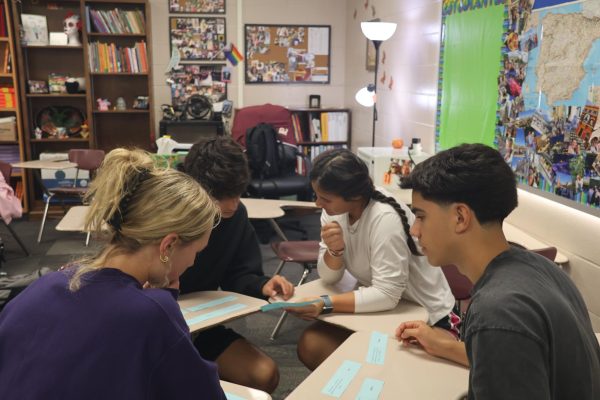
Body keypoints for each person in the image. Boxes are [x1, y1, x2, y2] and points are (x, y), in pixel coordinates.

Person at [0, 148, 226, 399]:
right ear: (169, 245)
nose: (194, 262)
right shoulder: (150, 312)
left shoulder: (45, 285)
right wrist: (165, 301)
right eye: (197, 250)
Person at [396, 143, 600, 399]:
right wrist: (443, 345)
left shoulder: (499, 309)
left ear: (460, 217)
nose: (415, 230)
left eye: (421, 216)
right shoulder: (542, 269)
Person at [286, 148, 458, 371]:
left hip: (425, 314)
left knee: (384, 372)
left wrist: (325, 304)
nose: (318, 203)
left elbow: (387, 294)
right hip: (384, 309)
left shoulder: (384, 218)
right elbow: (329, 277)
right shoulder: (334, 210)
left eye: (325, 198)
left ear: (354, 197)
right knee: (313, 344)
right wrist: (335, 251)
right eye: (317, 195)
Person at [178, 136, 294, 394]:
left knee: (264, 375)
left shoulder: (235, 214)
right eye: (221, 197)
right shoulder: (162, 214)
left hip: (200, 325)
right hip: (152, 328)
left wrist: (263, 285)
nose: (232, 205)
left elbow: (239, 275)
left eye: (238, 194)